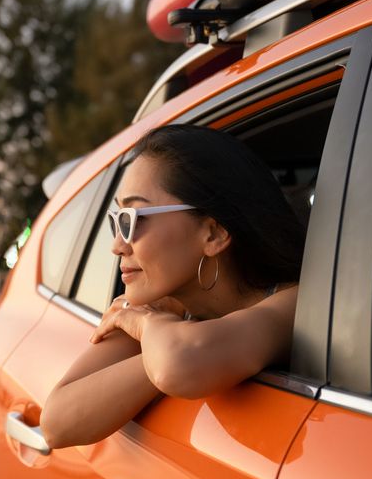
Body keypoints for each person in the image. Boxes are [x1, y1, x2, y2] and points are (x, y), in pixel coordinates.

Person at [39, 125, 306, 449]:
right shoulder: (164, 305)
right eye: (117, 219)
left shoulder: (294, 305)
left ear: (213, 234)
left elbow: (177, 363)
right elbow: (57, 423)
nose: (117, 246)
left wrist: (148, 327)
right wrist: (162, 339)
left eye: (135, 219)